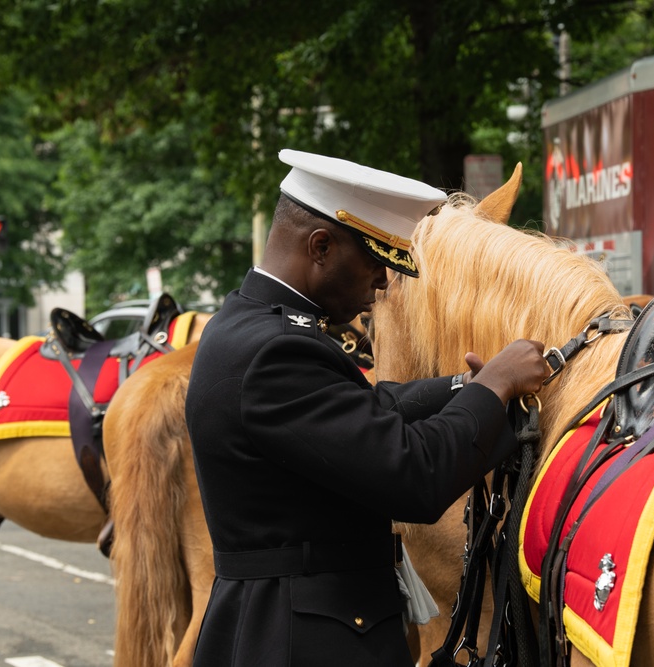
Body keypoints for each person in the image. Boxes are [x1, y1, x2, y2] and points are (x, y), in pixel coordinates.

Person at [184, 148, 550, 666]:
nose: (382, 283)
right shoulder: (276, 351)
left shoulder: (250, 327)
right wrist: (494, 385)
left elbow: (365, 407)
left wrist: (461, 386)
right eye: (377, 261)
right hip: (305, 644)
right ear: (320, 247)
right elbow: (414, 477)